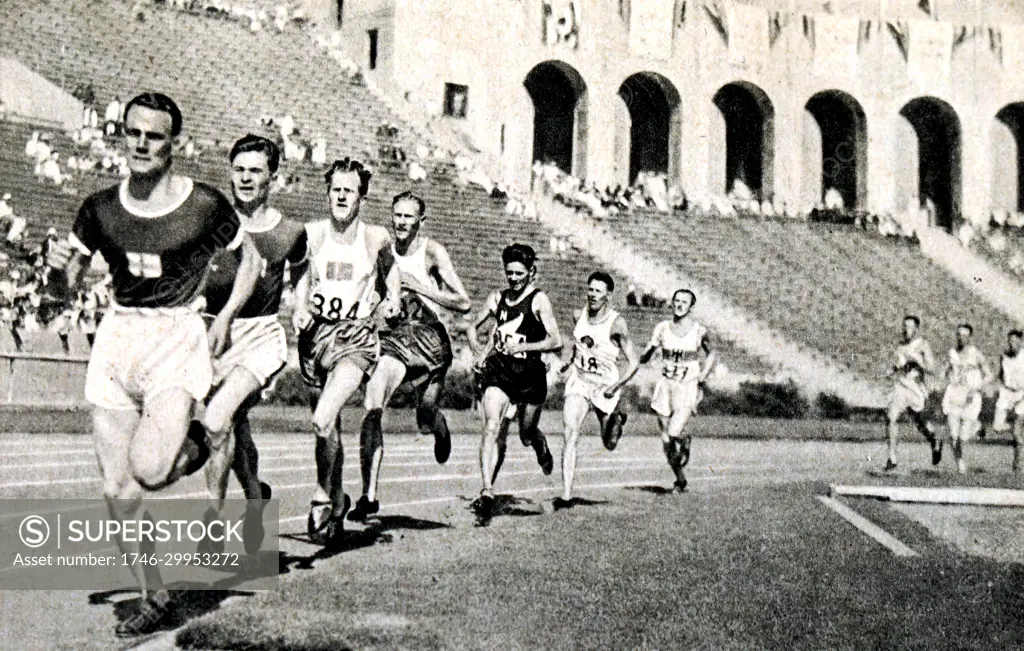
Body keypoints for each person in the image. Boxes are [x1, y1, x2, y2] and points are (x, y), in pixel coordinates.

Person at [45, 92, 254, 637]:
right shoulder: (98, 209)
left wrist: (227, 315)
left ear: (173, 143)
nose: (140, 143)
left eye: (154, 135)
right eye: (133, 132)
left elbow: (249, 259)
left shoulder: (204, 204)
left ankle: (205, 438)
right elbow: (61, 290)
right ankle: (153, 594)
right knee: (118, 487)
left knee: (153, 471)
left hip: (175, 335)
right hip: (119, 336)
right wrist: (57, 270)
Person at [198, 135, 308, 553]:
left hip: (260, 337)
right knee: (235, 430)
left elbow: (301, 274)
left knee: (217, 418)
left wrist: (300, 306)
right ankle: (256, 500)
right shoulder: (211, 223)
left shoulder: (289, 232)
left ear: (272, 177)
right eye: (239, 169)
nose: (245, 177)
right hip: (215, 338)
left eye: (255, 170)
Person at [292, 158, 400, 545]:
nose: (341, 195)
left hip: (354, 339)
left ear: (362, 196)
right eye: (335, 188)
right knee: (328, 430)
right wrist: (300, 307)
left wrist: (393, 300)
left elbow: (391, 271)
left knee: (322, 419)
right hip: (314, 339)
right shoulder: (312, 234)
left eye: (349, 190)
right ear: (327, 192)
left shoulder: (374, 238)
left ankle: (322, 495)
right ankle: (338, 503)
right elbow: (300, 277)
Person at [349, 191, 471, 521]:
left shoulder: (432, 251)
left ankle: (440, 426)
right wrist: (379, 304)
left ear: (420, 220)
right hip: (396, 339)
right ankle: (368, 495)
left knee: (425, 415)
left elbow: (463, 301)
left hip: (430, 341)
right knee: (373, 405)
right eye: (397, 215)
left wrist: (419, 286)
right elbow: (376, 290)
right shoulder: (383, 251)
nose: (401, 222)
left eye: (408, 216)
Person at [466, 243, 561, 519]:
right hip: (501, 372)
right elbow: (473, 326)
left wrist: (525, 347)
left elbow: (555, 340)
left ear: (532, 272)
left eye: (519, 273)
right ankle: (486, 491)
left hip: (530, 375)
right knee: (491, 427)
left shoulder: (539, 300)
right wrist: (478, 352)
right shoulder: (497, 298)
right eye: (509, 273)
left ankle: (540, 446)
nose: (513, 278)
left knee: (526, 434)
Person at [555, 271, 638, 510]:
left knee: (609, 443)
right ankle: (566, 495)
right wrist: (568, 363)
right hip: (580, 382)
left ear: (608, 296)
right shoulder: (577, 315)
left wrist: (616, 386)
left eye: (598, 291)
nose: (592, 294)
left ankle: (617, 420)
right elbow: (578, 345)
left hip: (605, 387)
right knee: (570, 432)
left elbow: (634, 362)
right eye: (590, 289)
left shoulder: (616, 323)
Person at [637, 290, 716, 493]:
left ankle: (683, 440)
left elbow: (712, 353)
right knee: (665, 437)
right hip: (666, 385)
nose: (680, 305)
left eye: (684, 302)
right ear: (672, 303)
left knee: (673, 432)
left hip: (687, 386)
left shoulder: (699, 331)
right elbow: (649, 350)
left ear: (691, 307)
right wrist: (643, 355)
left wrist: (703, 376)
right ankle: (680, 480)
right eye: (677, 301)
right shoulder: (662, 328)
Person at [882, 315, 942, 472]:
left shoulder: (922, 344)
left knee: (921, 424)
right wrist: (891, 370)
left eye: (909, 326)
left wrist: (917, 361)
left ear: (916, 329)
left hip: (916, 387)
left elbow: (932, 369)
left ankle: (935, 441)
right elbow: (897, 365)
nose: (905, 329)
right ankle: (891, 458)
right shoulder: (900, 346)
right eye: (904, 326)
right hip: (901, 385)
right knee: (891, 417)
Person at [942, 324, 993, 474]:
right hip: (954, 394)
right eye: (959, 335)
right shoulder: (951, 353)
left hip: (971, 396)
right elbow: (944, 371)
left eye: (965, 335)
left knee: (963, 436)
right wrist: (943, 376)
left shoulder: (975, 353)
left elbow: (989, 375)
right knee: (953, 434)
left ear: (970, 337)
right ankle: (960, 465)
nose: (961, 338)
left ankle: (977, 426)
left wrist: (977, 387)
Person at [993, 330, 1024, 470]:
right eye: (1010, 341)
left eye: (1016, 341)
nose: (1013, 344)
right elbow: (1001, 374)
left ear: (1021, 342)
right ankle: (1016, 432)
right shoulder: (1004, 356)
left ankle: (1017, 466)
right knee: (997, 427)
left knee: (1017, 432)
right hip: (1006, 392)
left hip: (1022, 393)